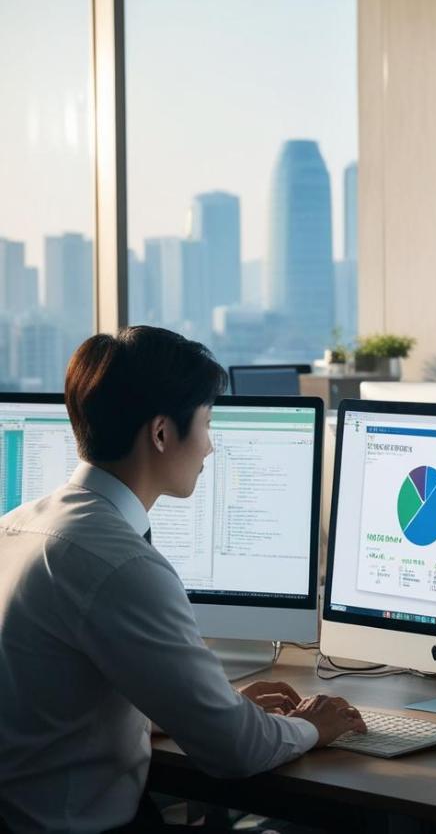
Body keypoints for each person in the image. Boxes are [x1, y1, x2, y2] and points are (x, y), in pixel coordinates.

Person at [0, 327, 366, 832]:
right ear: (161, 433)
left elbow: (62, 707)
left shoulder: (18, 525)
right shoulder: (121, 565)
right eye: (207, 423)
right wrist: (310, 725)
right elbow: (235, 752)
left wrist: (212, 708)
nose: (210, 448)